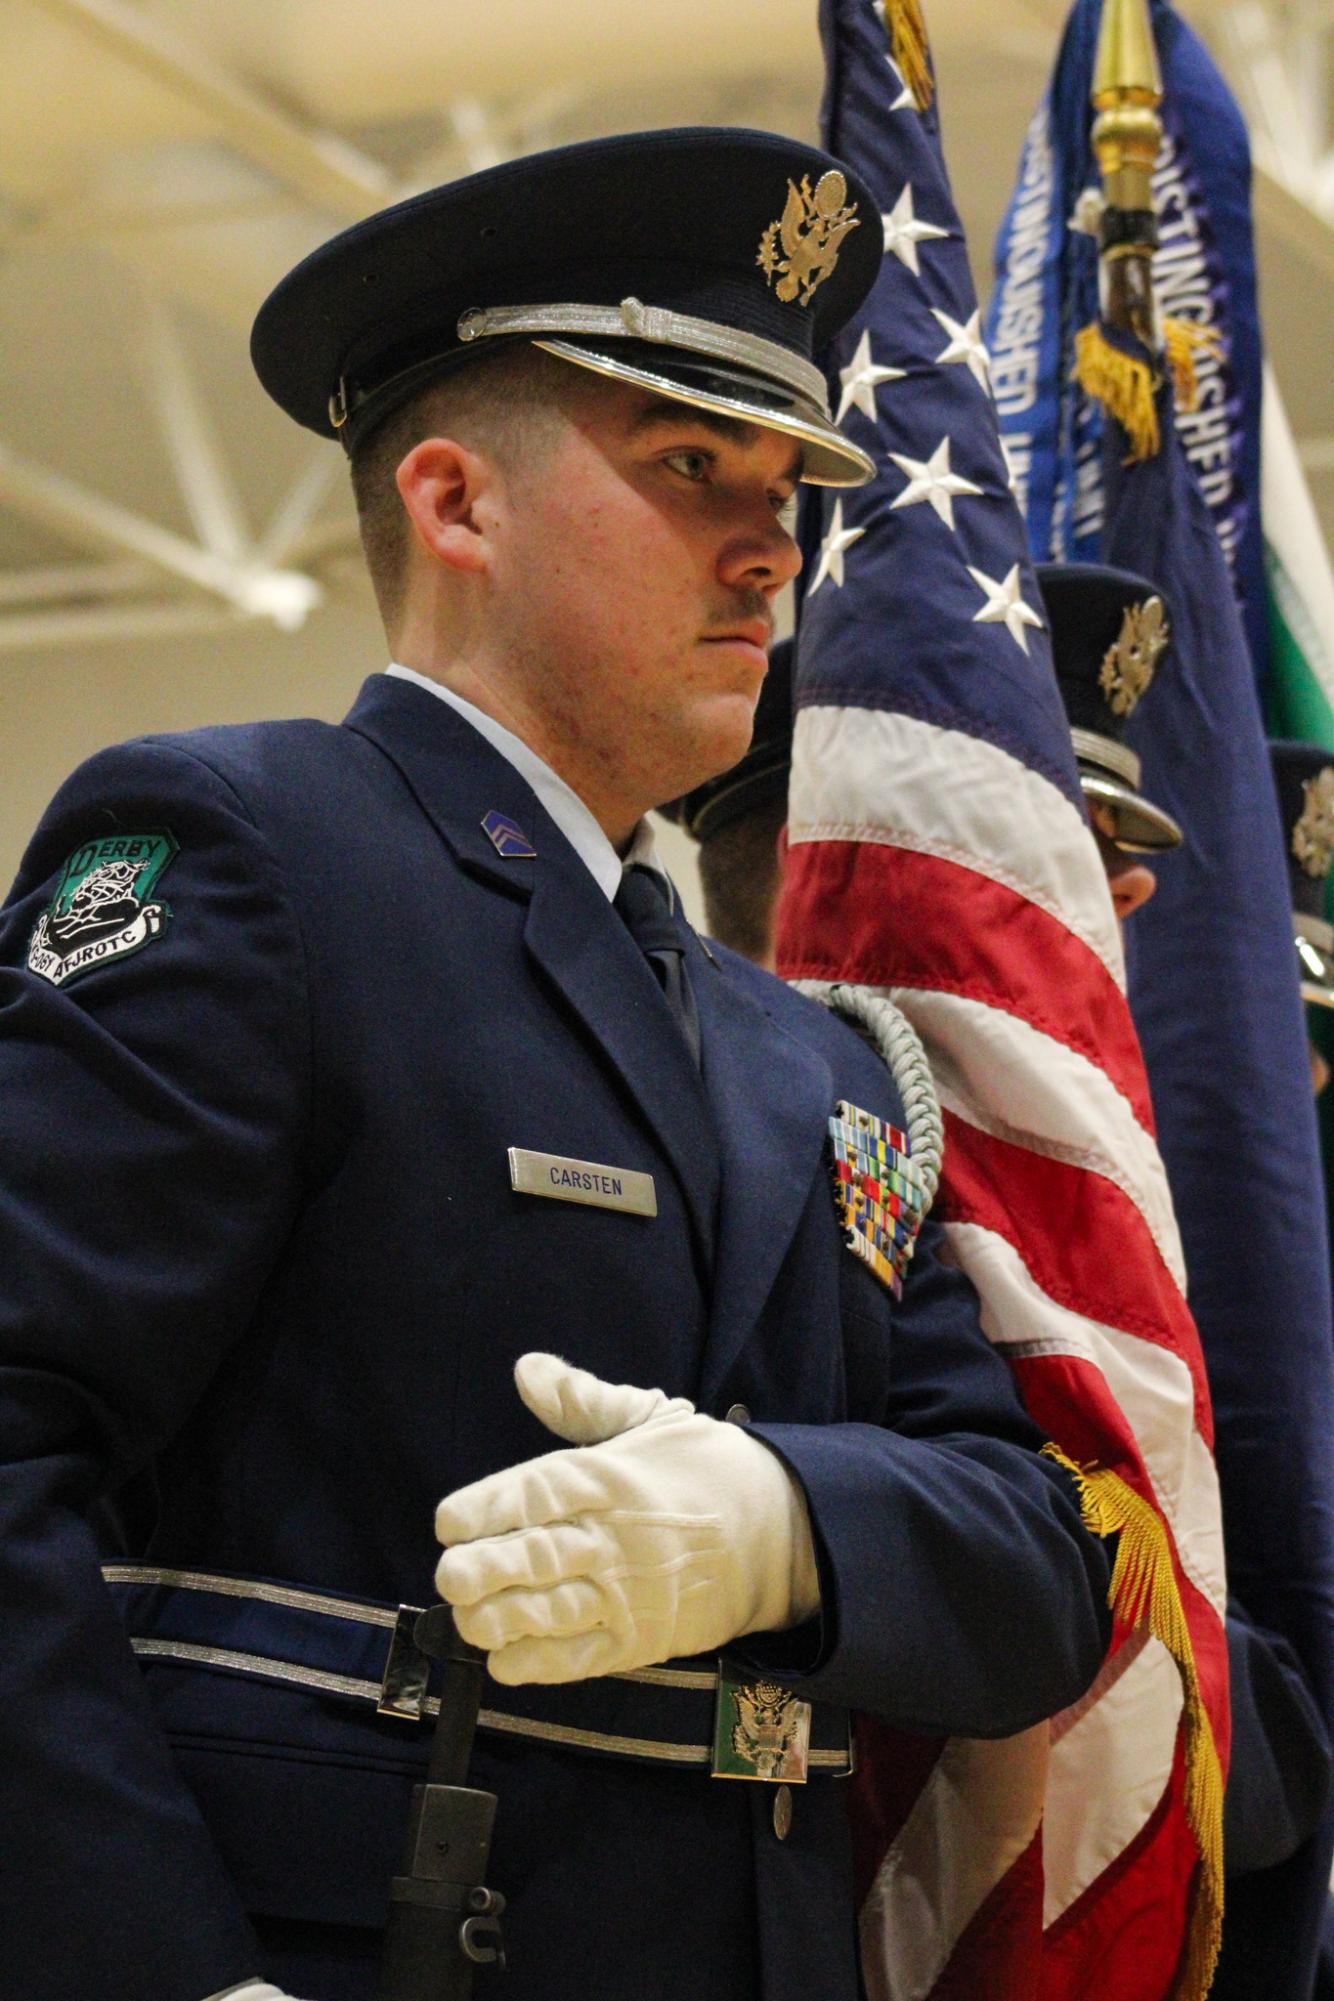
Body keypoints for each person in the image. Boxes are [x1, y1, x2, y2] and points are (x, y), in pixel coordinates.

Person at [0, 132, 1116, 2001]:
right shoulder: (252, 852)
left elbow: (1036, 1564)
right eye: (692, 468)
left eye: (787, 484)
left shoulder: (815, 1057)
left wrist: (782, 1526)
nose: (774, 546)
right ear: (453, 501)